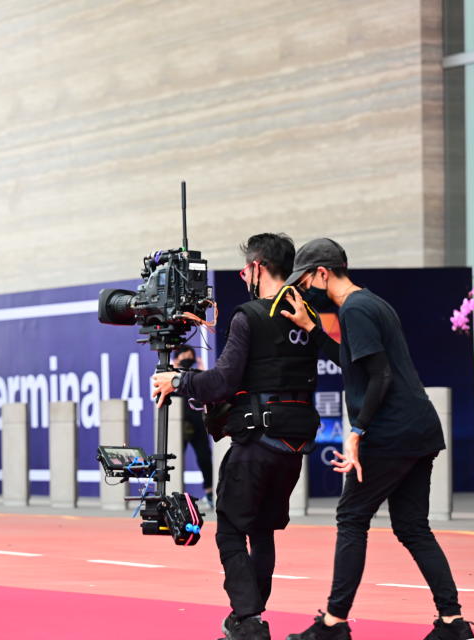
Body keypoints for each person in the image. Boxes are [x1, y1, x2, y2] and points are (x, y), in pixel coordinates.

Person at [280, 238, 474, 640]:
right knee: (412, 527)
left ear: (323, 272)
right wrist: (313, 328)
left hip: (392, 432)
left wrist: (356, 432)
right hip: (418, 429)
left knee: (351, 518)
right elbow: (355, 367)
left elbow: (381, 377)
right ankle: (453, 623)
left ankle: (334, 623)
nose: (305, 289)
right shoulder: (370, 303)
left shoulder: (355, 309)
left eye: (306, 280)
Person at [151, 233, 322, 640]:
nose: (244, 274)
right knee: (262, 529)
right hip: (293, 446)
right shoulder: (306, 316)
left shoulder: (249, 315)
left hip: (257, 442)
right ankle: (252, 616)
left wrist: (178, 380)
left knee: (229, 526)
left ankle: (246, 620)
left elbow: (222, 381)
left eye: (247, 267)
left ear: (258, 267)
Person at [171, 345, 214, 509]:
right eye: (184, 356)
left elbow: (209, 394)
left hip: (198, 423)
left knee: (204, 458)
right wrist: (174, 374)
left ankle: (210, 494)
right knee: (173, 460)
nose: (187, 358)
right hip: (178, 425)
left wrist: (204, 375)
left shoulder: (198, 377)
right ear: (176, 359)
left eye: (190, 356)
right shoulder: (169, 377)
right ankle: (172, 496)